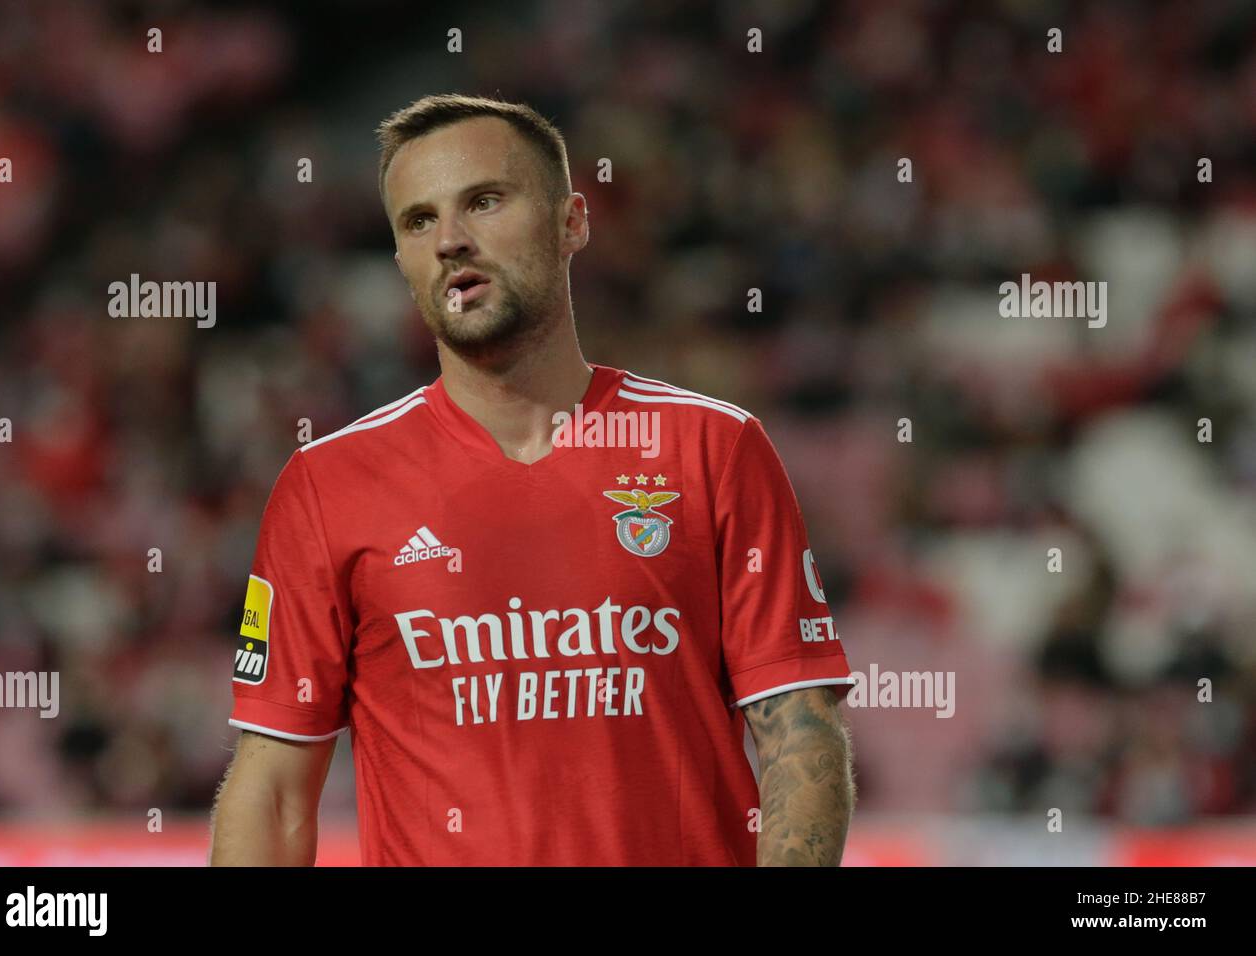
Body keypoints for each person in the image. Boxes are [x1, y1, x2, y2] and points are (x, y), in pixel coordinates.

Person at [208, 93, 856, 866]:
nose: (450, 239)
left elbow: (799, 732)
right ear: (402, 261)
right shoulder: (327, 484)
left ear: (572, 221)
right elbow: (274, 789)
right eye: (418, 221)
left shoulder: (713, 449)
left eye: (484, 202)